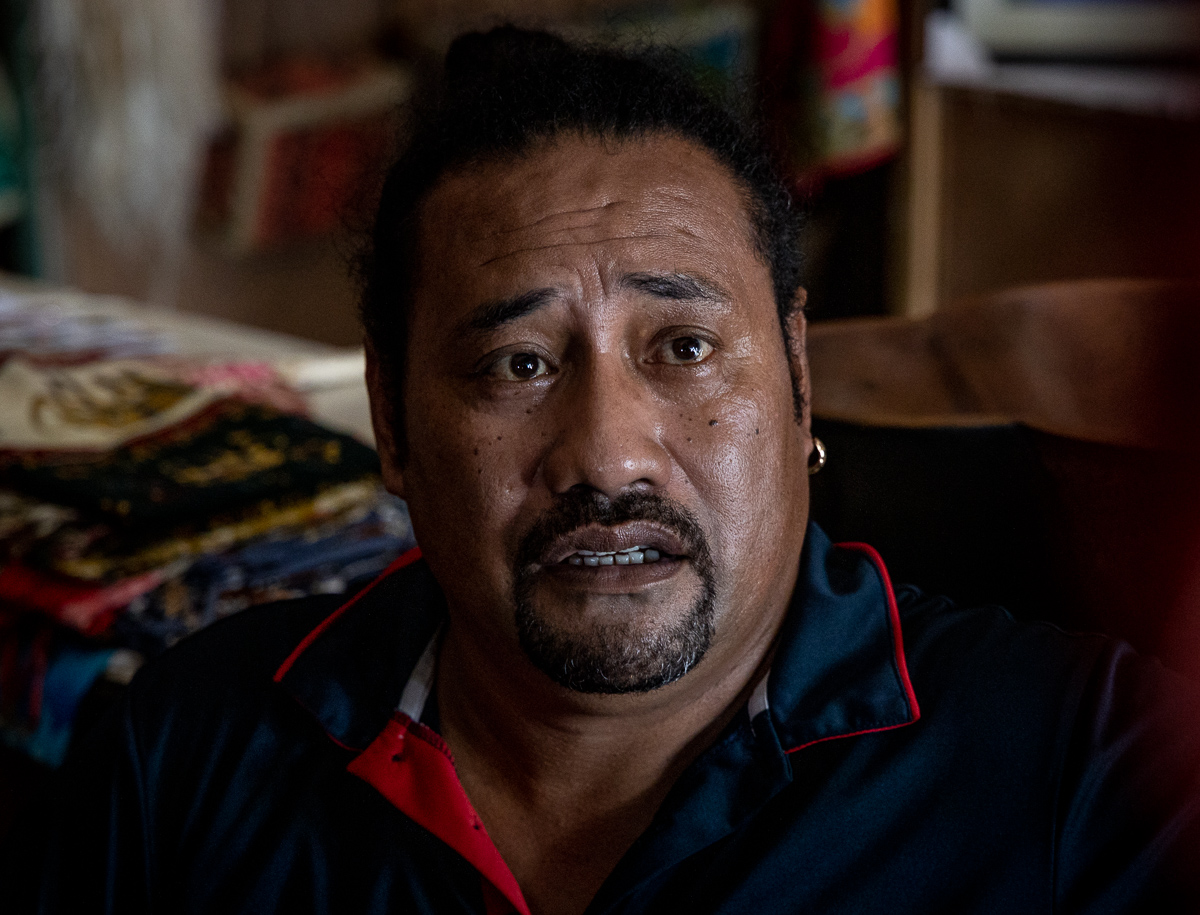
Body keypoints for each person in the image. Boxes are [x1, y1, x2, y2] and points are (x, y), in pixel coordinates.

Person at [40, 27, 1200, 915]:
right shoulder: (191, 754)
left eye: (683, 349)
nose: (606, 454)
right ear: (392, 421)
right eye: (520, 363)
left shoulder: (1094, 771)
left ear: (798, 377)